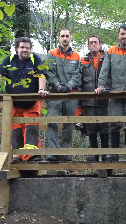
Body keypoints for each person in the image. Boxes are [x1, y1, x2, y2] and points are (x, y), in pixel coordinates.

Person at [0, 37, 48, 163]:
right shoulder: (10, 60)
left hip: (32, 102)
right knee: (16, 129)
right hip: (14, 104)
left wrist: (42, 89)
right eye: (22, 47)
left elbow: (41, 75)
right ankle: (17, 155)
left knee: (32, 127)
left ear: (30, 49)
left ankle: (32, 155)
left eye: (27, 48)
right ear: (17, 48)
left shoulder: (35, 59)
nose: (25, 50)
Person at [96, 25, 126, 162]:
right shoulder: (111, 51)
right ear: (118, 35)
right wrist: (101, 85)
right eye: (122, 34)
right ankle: (115, 154)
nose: (125, 36)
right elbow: (104, 70)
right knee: (114, 123)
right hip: (115, 92)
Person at [46, 28, 82, 162]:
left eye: (67, 36)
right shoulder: (51, 53)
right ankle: (53, 152)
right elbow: (48, 72)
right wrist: (57, 85)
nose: (65, 38)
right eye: (62, 36)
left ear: (70, 38)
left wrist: (70, 85)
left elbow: (78, 74)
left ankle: (65, 151)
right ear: (58, 38)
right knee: (52, 121)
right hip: (55, 94)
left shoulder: (77, 56)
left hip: (71, 95)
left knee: (69, 124)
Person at [80, 35, 110, 162]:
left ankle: (105, 153)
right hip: (88, 100)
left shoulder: (107, 59)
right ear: (88, 45)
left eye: (95, 42)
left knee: (104, 126)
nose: (93, 44)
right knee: (91, 127)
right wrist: (79, 105)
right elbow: (79, 81)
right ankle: (94, 153)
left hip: (105, 100)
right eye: (90, 43)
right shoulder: (83, 61)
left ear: (100, 44)